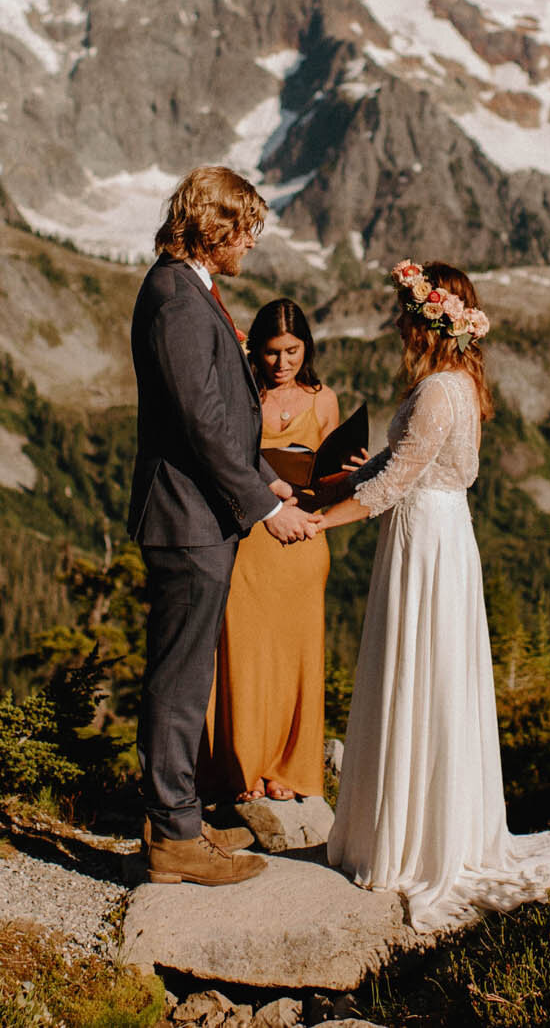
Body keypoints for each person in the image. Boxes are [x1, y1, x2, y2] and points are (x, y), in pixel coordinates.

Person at [319, 260, 550, 929]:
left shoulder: (435, 390)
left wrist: (318, 519)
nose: (399, 321)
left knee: (415, 675)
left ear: (426, 320)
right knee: (432, 681)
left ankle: (407, 841)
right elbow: (410, 463)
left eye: (406, 311)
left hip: (423, 541)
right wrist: (361, 469)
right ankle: (424, 825)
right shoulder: (459, 384)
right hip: (443, 536)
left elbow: (392, 487)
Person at [129, 167, 323, 886]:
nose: (251, 243)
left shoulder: (189, 288)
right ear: (215, 226)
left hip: (200, 510)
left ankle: (175, 818)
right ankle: (173, 836)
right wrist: (267, 505)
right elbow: (199, 419)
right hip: (186, 515)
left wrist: (264, 475)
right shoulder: (176, 295)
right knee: (180, 677)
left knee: (186, 670)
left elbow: (214, 416)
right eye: (245, 229)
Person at [206, 299, 342, 805]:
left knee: (296, 654)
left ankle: (290, 768)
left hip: (304, 539)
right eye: (270, 352)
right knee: (245, 653)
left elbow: (333, 477)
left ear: (306, 347)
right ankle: (241, 769)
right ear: (254, 352)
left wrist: (349, 472)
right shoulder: (240, 395)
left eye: (292, 351)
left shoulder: (324, 399)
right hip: (249, 538)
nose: (282, 363)